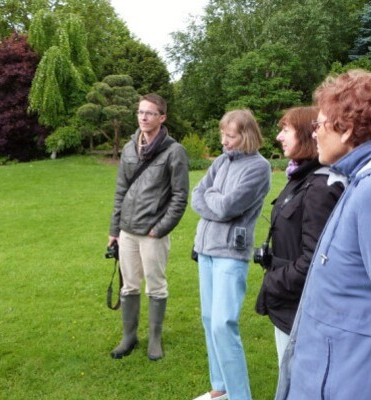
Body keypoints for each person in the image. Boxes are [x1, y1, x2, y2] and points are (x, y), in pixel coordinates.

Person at [275, 70, 371, 399]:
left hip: (355, 383)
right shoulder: (361, 178)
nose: (314, 134)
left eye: (318, 125)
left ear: (345, 129)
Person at [191, 109, 271, 400]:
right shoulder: (223, 161)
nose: (224, 141)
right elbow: (195, 195)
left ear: (246, 135)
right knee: (209, 318)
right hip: (206, 248)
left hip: (231, 253)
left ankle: (240, 396)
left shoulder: (258, 168)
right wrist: (214, 198)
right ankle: (220, 389)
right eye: (222, 134)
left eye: (231, 136)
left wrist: (211, 198)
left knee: (224, 324)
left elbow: (226, 207)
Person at [254, 106, 343, 365]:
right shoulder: (300, 178)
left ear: (306, 134)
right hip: (288, 306)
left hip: (300, 308)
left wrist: (273, 281)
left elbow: (316, 260)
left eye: (285, 130)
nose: (279, 137)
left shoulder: (319, 187)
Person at [108, 93, 189, 361]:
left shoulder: (174, 151)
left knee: (156, 286)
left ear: (162, 117)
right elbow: (121, 191)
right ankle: (129, 336)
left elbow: (179, 197)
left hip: (153, 233)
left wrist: (160, 229)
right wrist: (114, 230)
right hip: (127, 231)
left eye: (150, 113)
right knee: (128, 286)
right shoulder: (130, 148)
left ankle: (155, 338)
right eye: (140, 112)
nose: (143, 117)